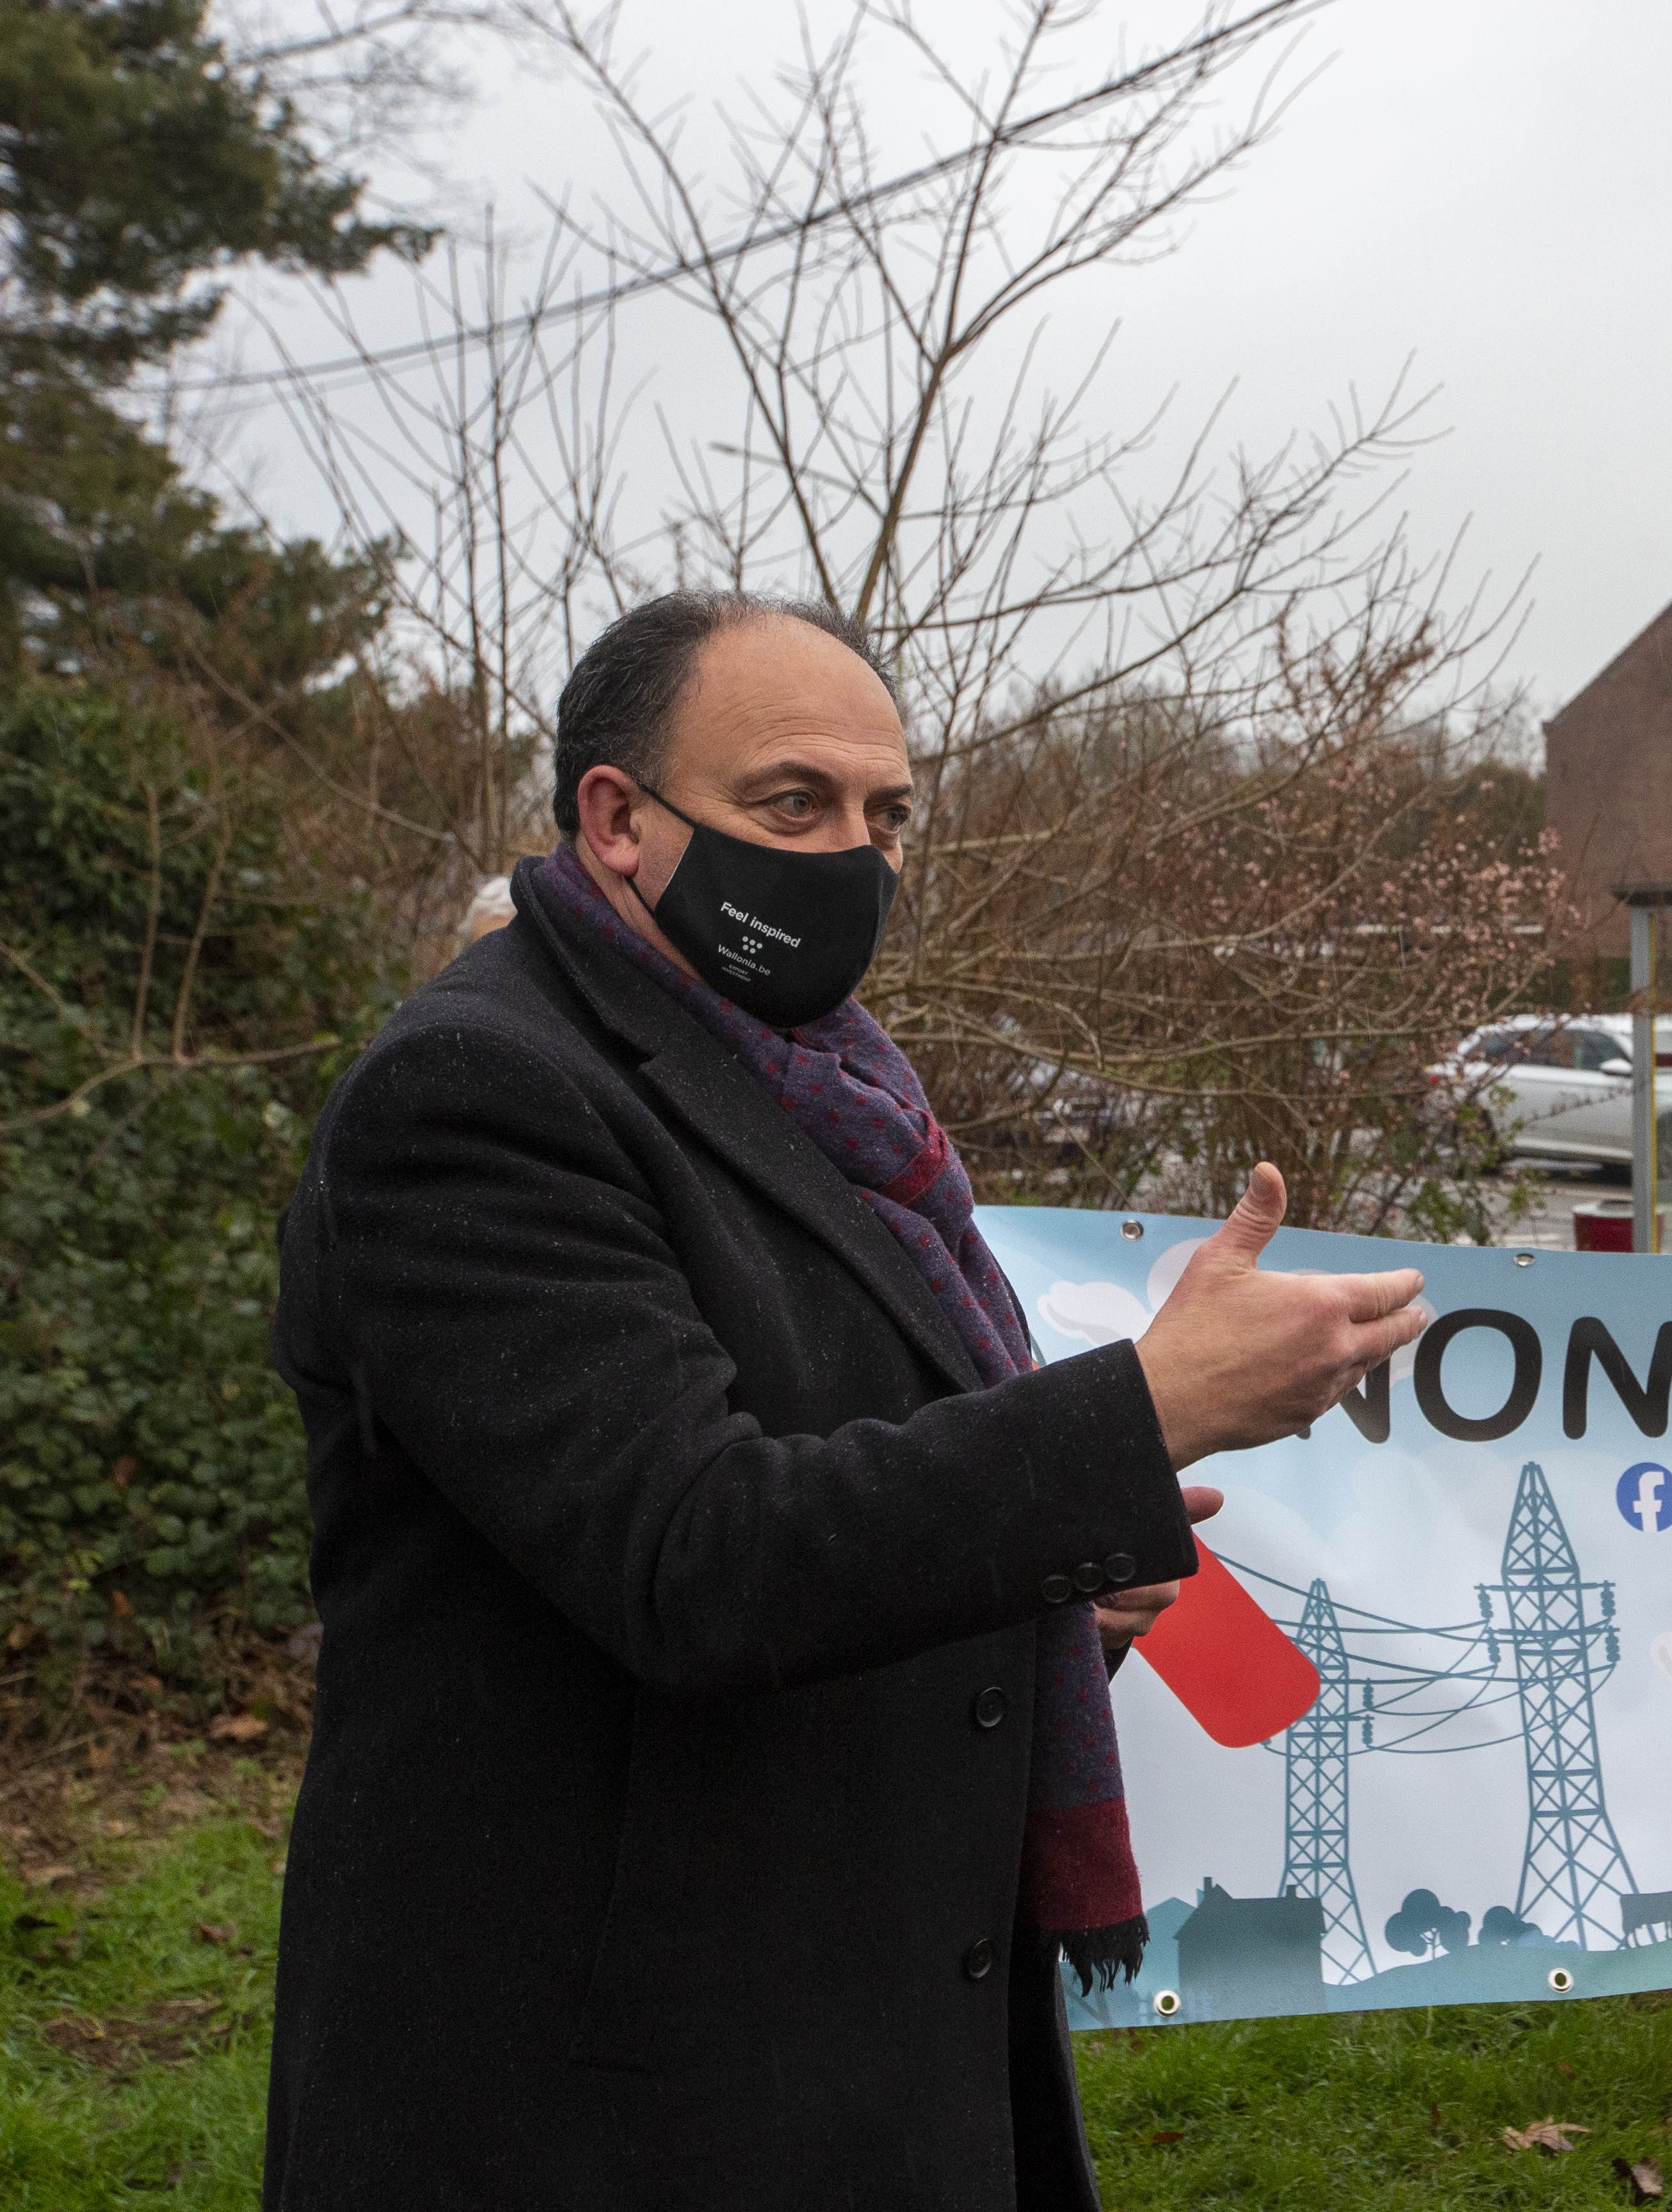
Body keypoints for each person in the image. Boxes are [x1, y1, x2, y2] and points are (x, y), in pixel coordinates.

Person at [265, 590, 1431, 2209]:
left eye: (885, 815)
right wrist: (1136, 1413)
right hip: (607, 2093)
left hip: (870, 2035)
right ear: (616, 817)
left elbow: (849, 1491)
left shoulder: (826, 1086)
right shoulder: (478, 1094)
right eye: (788, 803)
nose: (849, 860)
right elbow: (697, 1552)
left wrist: (1059, 1599)